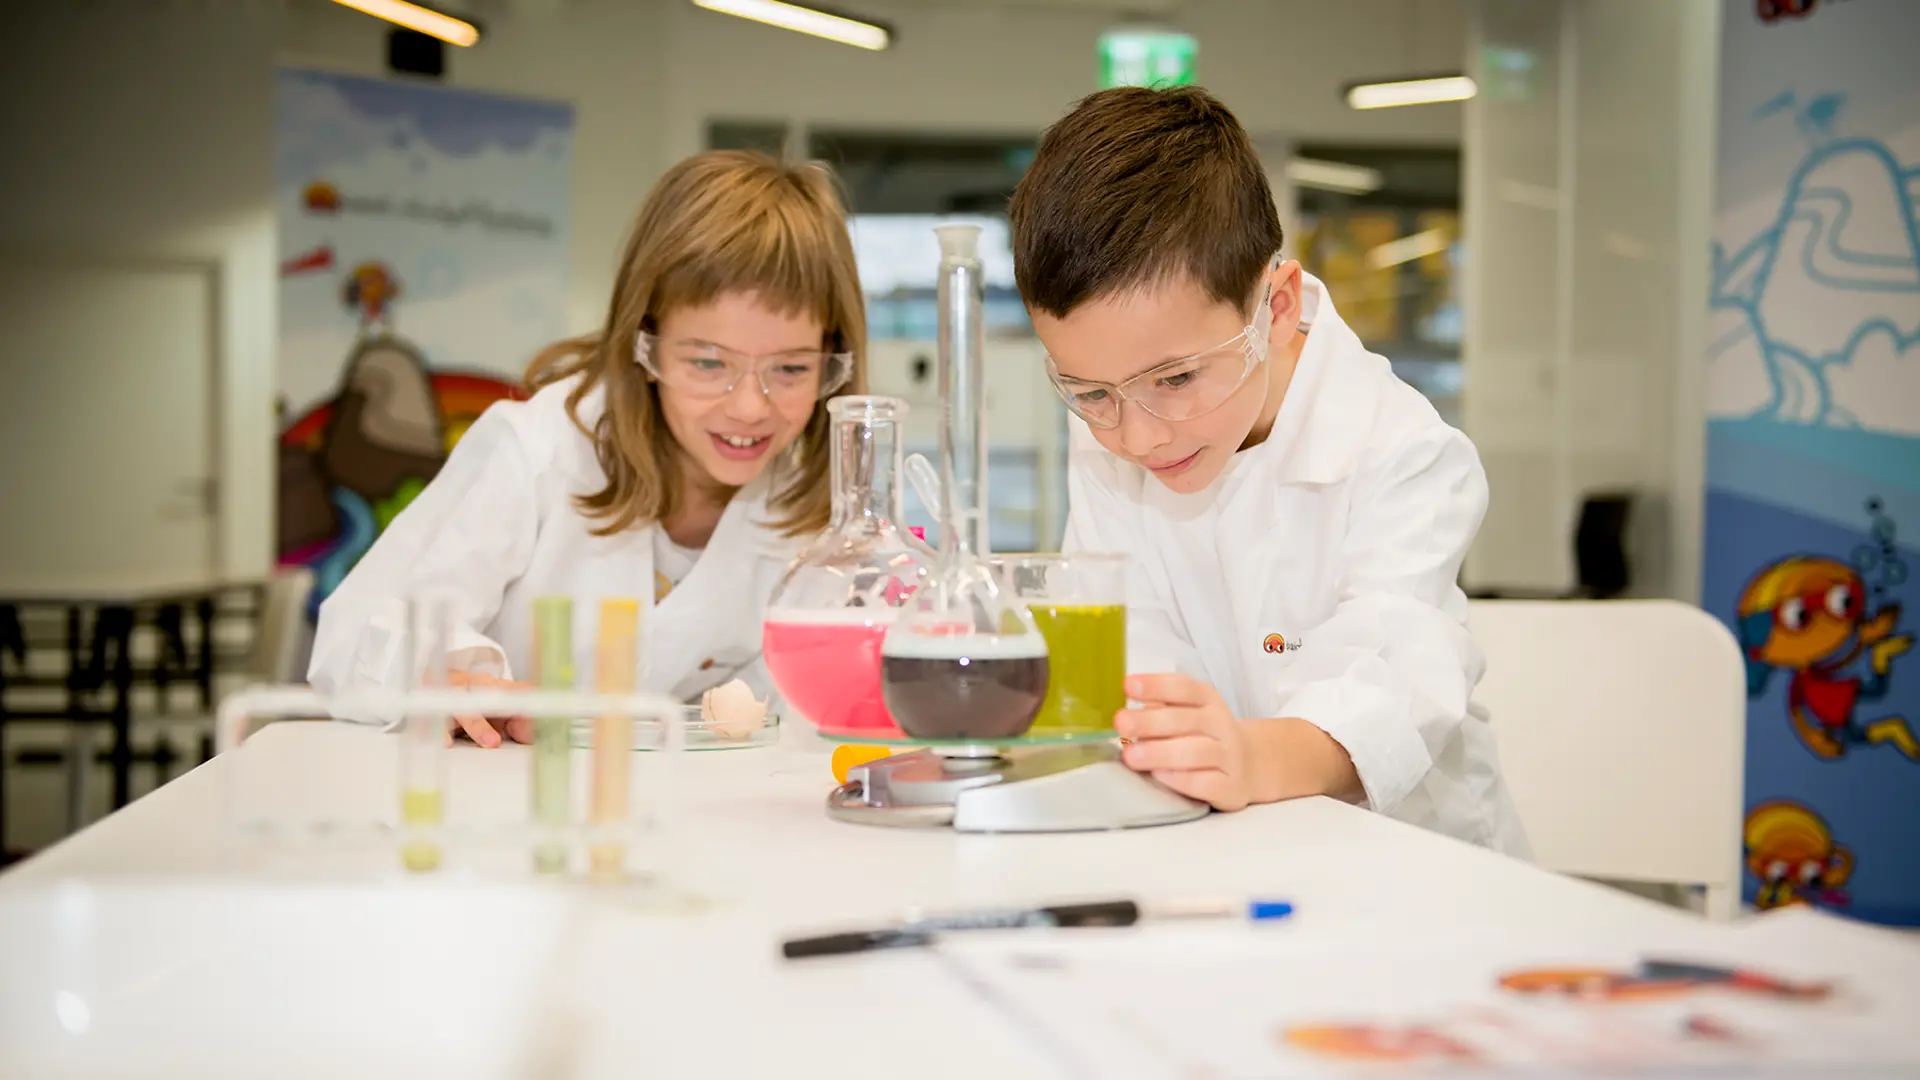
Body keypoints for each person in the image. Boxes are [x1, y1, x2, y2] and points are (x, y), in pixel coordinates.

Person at [1008, 86, 1528, 855]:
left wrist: (1249, 757)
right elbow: (1128, 657)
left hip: (1417, 865)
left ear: (1276, 307)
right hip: (1221, 851)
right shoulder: (1115, 431)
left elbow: (1397, 682)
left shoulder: (1403, 451)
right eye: (1088, 393)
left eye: (1177, 379)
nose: (1139, 437)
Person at [308, 150, 867, 745]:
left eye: (790, 369)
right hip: (496, 807)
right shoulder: (537, 452)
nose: (751, 407)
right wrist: (453, 675)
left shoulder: (813, 509)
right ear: (644, 341)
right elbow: (353, 637)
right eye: (708, 362)